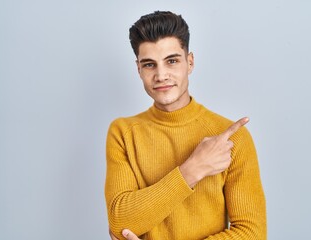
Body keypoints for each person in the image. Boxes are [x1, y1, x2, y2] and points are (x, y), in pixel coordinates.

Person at [105, 11, 266, 240]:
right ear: (138, 69)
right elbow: (121, 223)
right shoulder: (122, 133)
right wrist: (193, 168)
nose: (161, 75)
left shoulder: (231, 138)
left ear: (189, 62)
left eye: (172, 61)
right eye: (150, 64)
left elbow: (253, 234)